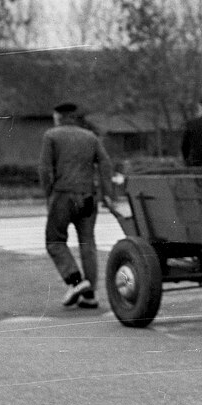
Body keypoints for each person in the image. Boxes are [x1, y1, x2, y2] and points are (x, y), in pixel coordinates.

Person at [39, 101, 114, 309]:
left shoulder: (51, 136)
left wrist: (48, 195)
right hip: (88, 197)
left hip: (63, 196)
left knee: (54, 241)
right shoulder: (90, 137)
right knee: (88, 243)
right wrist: (107, 194)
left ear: (59, 117)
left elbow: (45, 170)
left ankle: (76, 282)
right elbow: (106, 164)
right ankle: (90, 296)